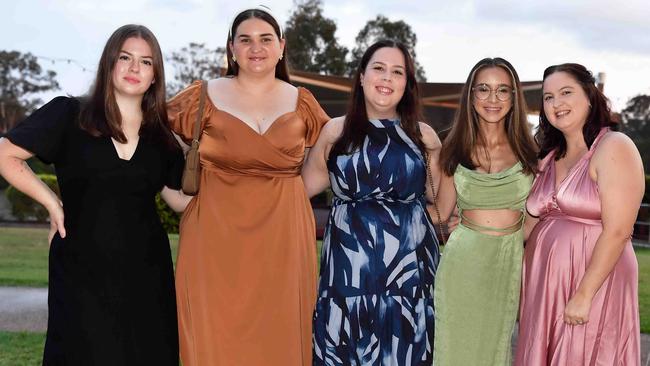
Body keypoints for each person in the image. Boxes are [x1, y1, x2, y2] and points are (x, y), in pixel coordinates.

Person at [0, 24, 187, 365]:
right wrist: (51, 201)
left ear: (155, 75)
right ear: (108, 63)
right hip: (80, 273)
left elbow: (179, 201)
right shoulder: (69, 114)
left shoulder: (162, 136)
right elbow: (6, 154)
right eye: (125, 58)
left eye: (145, 62)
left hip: (147, 276)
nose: (134, 68)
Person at [166, 6, 329, 366]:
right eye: (246, 39)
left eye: (266, 39)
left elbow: (332, 158)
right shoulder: (200, 97)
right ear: (231, 49)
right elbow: (146, 138)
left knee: (282, 335)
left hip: (284, 237)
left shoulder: (303, 102)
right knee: (214, 336)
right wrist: (174, 196)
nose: (256, 47)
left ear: (282, 47)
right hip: (213, 236)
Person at [302, 39, 441, 365]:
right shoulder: (335, 132)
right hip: (347, 279)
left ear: (407, 85)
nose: (387, 78)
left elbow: (442, 206)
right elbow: (296, 193)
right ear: (362, 76)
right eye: (379, 68)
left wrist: (437, 153)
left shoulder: (423, 137)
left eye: (398, 72)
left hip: (406, 281)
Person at [515, 63, 643, 365]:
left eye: (566, 92)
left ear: (589, 95)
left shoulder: (614, 146)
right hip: (544, 284)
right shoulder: (546, 156)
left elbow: (618, 231)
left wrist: (585, 294)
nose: (556, 103)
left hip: (594, 279)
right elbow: (526, 227)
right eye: (548, 97)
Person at [433, 57, 538, 365]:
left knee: (494, 352)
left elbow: (537, 216)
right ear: (471, 95)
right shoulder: (454, 149)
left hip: (507, 261)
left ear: (514, 97)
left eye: (503, 90)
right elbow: (440, 211)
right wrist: (388, 206)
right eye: (484, 89)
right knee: (453, 350)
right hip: (461, 262)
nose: (493, 99)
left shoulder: (531, 151)